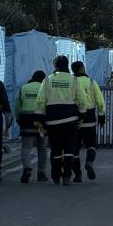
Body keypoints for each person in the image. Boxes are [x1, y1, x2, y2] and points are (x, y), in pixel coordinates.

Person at [35, 55, 90, 186]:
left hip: (52, 122)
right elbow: (82, 100)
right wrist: (82, 115)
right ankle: (67, 176)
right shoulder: (74, 80)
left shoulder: (47, 80)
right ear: (67, 65)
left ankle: (56, 176)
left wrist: (39, 119)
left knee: (56, 150)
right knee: (70, 149)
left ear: (54, 66)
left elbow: (40, 101)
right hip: (71, 121)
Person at [71, 61, 106, 183]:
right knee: (91, 144)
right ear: (82, 68)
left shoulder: (71, 82)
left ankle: (77, 175)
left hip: (75, 118)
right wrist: (101, 115)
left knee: (75, 147)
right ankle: (89, 162)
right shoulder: (91, 82)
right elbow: (100, 100)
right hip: (89, 117)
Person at [15, 70, 48, 184]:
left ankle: (27, 168)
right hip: (42, 120)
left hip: (26, 120)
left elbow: (17, 106)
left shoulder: (23, 88)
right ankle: (41, 173)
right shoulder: (45, 88)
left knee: (26, 147)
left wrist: (18, 119)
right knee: (42, 147)